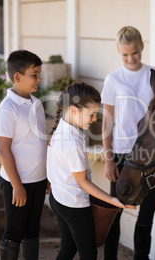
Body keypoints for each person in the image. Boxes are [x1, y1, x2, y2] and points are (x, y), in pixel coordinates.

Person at [101, 26, 155, 260]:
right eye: (125, 54)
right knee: (116, 209)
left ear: (141, 47)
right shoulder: (113, 80)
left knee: (147, 212)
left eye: (134, 52)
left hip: (150, 154)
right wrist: (109, 158)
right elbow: (107, 123)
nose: (131, 58)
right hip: (123, 154)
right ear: (118, 52)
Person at [47, 82, 135, 260]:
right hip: (74, 205)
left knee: (68, 248)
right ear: (73, 110)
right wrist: (112, 200)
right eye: (92, 114)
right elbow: (83, 182)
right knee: (89, 254)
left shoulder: (64, 128)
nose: (94, 119)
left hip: (58, 198)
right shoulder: (71, 142)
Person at [0, 50, 47, 259]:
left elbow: (40, 142)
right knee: (14, 233)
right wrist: (17, 186)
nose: (39, 79)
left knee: (32, 230)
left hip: (38, 179)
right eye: (34, 74)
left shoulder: (37, 104)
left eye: (39, 74)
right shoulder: (7, 109)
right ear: (17, 77)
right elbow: (3, 149)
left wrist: (47, 175)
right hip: (17, 183)